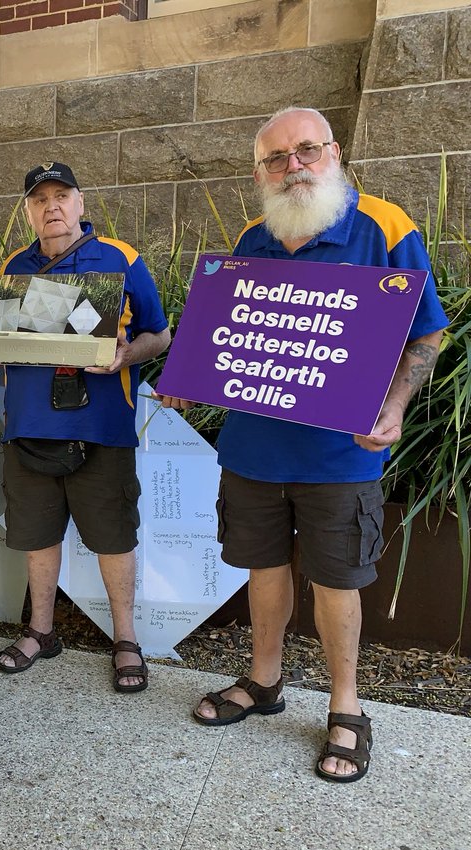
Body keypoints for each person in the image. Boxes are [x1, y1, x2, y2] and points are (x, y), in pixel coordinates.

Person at [156, 107, 447, 783]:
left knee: (339, 580)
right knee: (262, 569)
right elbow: (227, 345)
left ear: (333, 153)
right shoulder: (251, 238)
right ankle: (264, 682)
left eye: (307, 150)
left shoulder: (384, 226)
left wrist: (396, 406)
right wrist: (188, 383)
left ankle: (346, 707)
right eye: (277, 158)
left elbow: (426, 331)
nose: (294, 166)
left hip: (341, 453)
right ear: (259, 172)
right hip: (255, 450)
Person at [0, 162, 170, 689]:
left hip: (101, 427)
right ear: (29, 210)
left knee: (113, 537)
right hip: (28, 426)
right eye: (40, 199)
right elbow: (2, 347)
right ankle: (40, 631)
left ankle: (126, 639)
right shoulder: (13, 265)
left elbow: (160, 335)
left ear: (81, 202)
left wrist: (124, 355)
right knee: (37, 535)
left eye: (62, 195)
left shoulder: (120, 259)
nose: (52, 207)